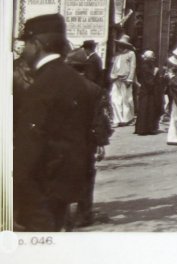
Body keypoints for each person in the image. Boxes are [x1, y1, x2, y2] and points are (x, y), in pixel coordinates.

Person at [13, 14, 102, 231]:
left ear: (37, 45)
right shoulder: (76, 81)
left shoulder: (42, 85)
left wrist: (16, 192)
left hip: (39, 190)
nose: (24, 51)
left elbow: (30, 144)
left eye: (26, 45)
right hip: (64, 188)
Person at [64, 48, 113, 228]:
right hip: (86, 142)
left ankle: (64, 215)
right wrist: (101, 143)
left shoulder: (60, 89)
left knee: (62, 174)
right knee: (86, 175)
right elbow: (98, 119)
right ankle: (83, 215)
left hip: (62, 141)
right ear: (84, 68)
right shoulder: (94, 89)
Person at [109, 34, 137, 127]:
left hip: (125, 79)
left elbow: (133, 67)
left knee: (127, 99)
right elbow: (114, 67)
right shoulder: (117, 54)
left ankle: (127, 119)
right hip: (116, 78)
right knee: (115, 99)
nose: (120, 46)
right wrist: (112, 76)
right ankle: (117, 119)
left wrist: (130, 78)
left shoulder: (130, 54)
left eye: (122, 45)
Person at [134, 50, 163, 135]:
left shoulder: (146, 64)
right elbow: (149, 79)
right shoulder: (146, 65)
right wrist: (155, 73)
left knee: (146, 109)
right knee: (148, 109)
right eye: (152, 57)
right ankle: (147, 128)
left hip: (147, 91)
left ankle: (145, 128)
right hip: (148, 91)